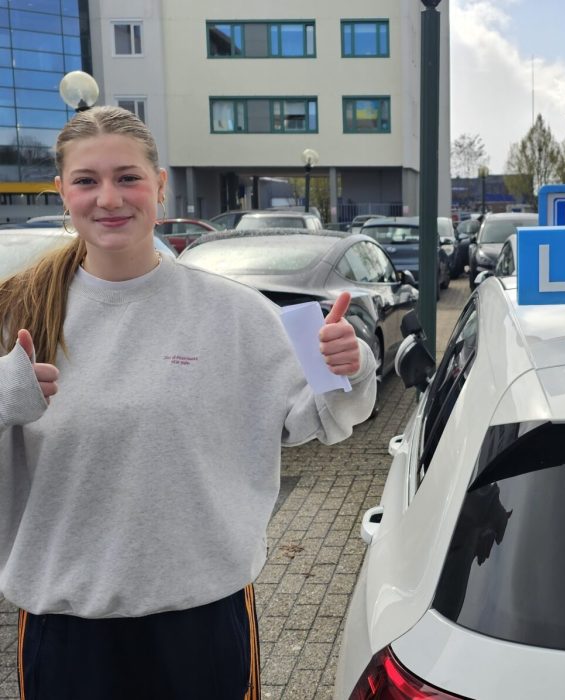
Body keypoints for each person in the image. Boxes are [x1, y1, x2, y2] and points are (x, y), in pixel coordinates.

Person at [0, 106, 376, 699]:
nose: (108, 198)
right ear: (61, 191)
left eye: (127, 177)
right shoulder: (16, 312)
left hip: (200, 618)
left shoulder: (240, 313)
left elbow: (315, 419)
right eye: (86, 180)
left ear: (159, 185)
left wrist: (347, 368)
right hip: (66, 625)